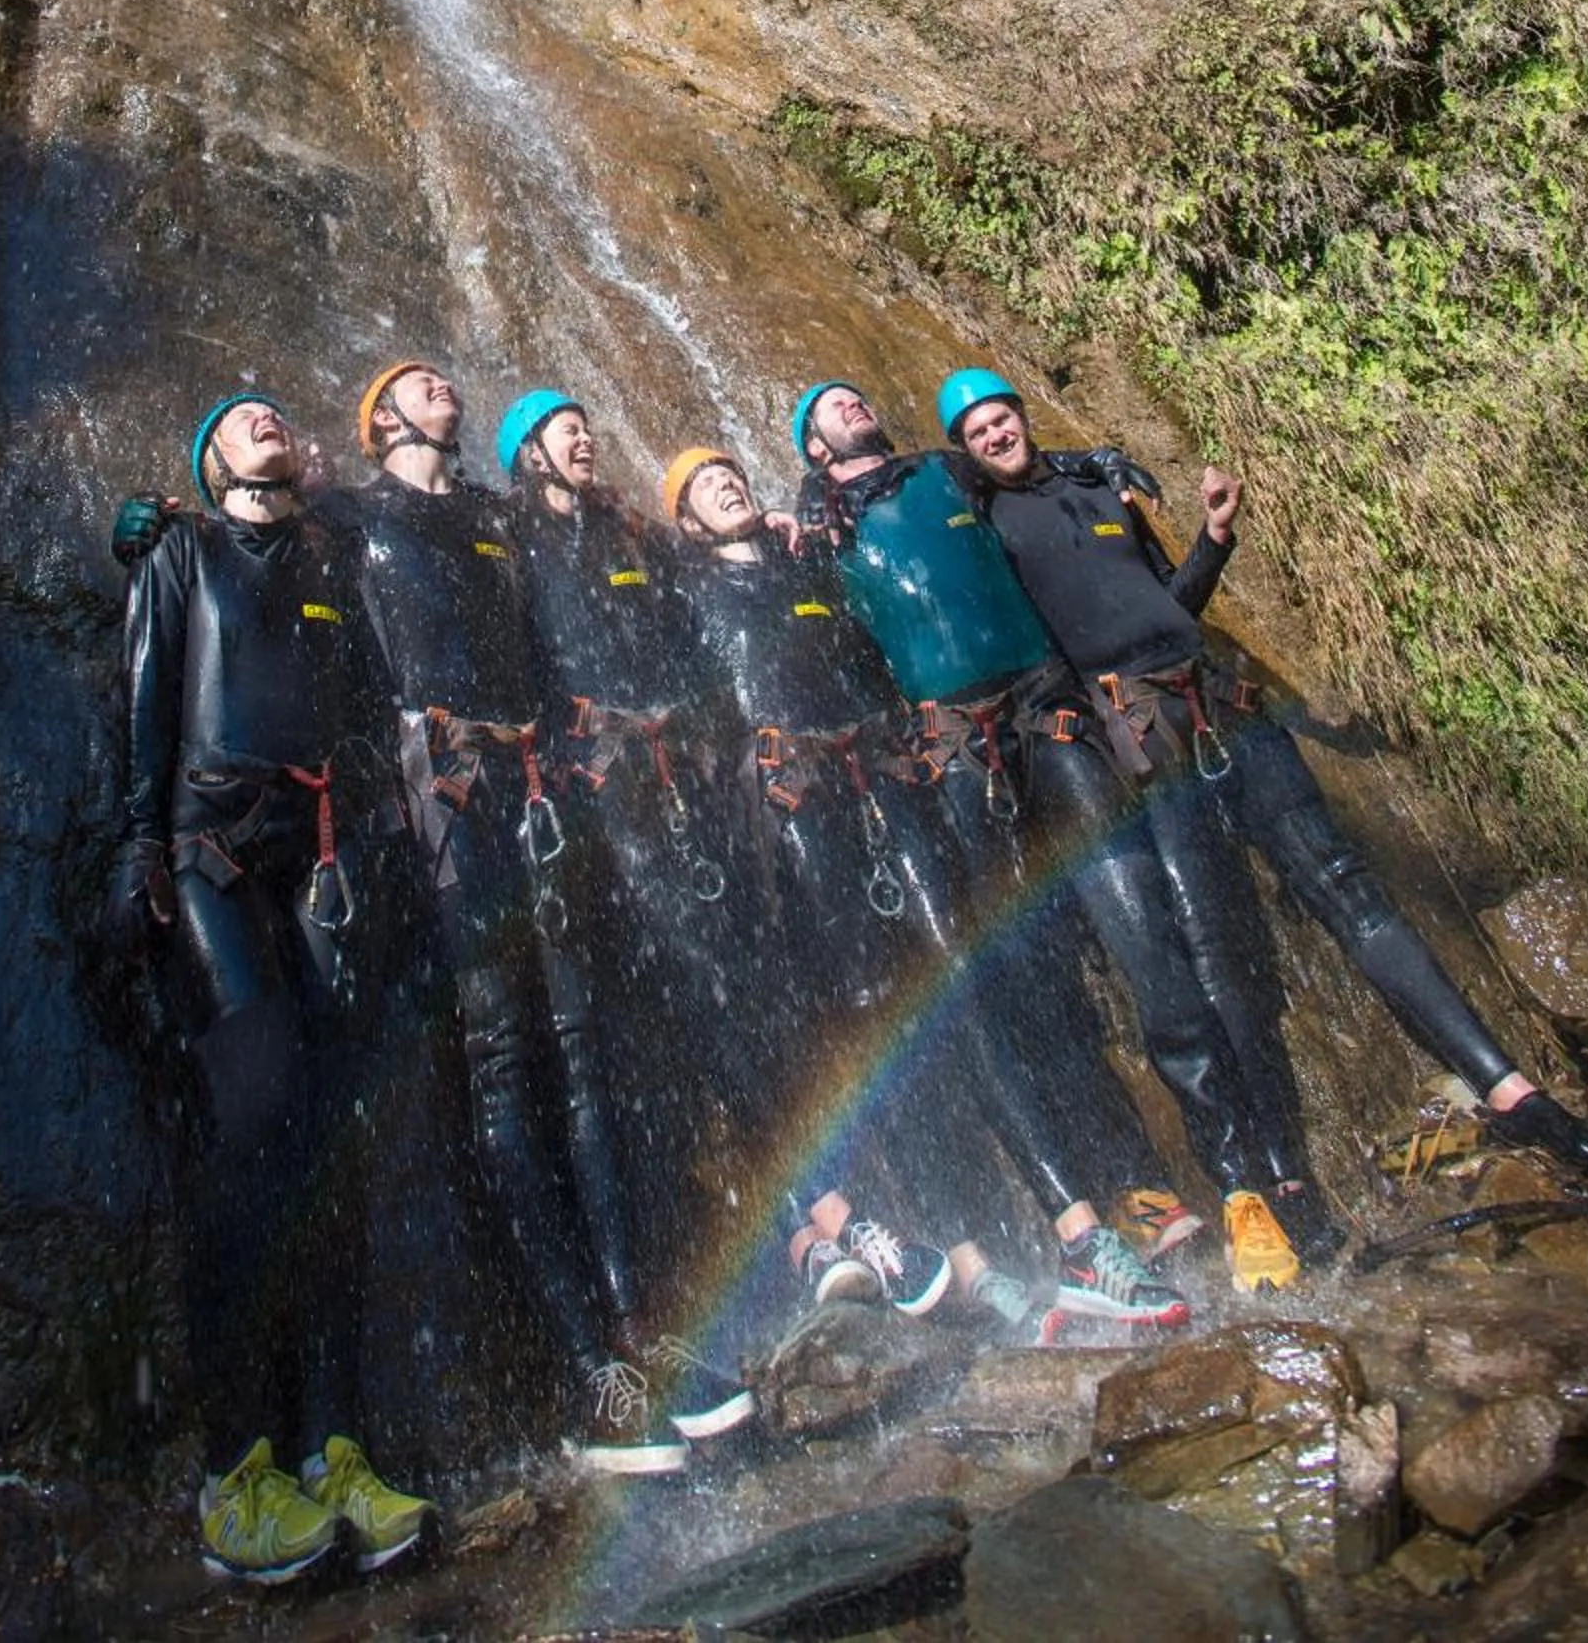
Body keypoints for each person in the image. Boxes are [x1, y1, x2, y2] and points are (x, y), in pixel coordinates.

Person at [936, 366, 1588, 1195]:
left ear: (1021, 414)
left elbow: (1171, 605)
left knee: (1348, 887)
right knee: (1215, 947)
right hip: (1143, 739)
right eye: (974, 433)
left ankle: (1511, 1091)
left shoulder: (1100, 489)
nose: (992, 436)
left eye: (998, 418)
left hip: (1221, 704)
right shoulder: (987, 520)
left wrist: (1215, 535)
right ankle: (1279, 1182)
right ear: (965, 452)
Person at [792, 380, 1310, 1293]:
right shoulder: (821, 529)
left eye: (856, 393)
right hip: (951, 739)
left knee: (1138, 922)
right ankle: (1126, 1193)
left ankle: (1243, 1186)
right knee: (1027, 975)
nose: (855, 400)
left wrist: (1094, 463)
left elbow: (1022, 464)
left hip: (1048, 704)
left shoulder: (948, 471)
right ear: (813, 447)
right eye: (831, 405)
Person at [668, 442, 1194, 1335]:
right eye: (700, 483)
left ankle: (1079, 1233)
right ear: (681, 521)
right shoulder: (684, 592)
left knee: (966, 996)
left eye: (730, 469)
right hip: (796, 818)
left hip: (886, 787)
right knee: (895, 1040)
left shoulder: (815, 565)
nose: (724, 480)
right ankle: (972, 1265)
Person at [348, 360, 706, 1471]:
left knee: (580, 1047)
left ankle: (635, 1326)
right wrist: (154, 523)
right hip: (442, 791)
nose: (439, 384)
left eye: (441, 376)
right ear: (380, 424)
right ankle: (579, 1367)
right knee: (502, 1057)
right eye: (414, 382)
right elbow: (240, 532)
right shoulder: (353, 515)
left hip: (536, 782)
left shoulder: (498, 518)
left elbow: (587, 546)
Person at [112, 394, 435, 1584]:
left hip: (324, 853)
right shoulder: (181, 550)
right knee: (251, 1128)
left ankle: (335, 1449)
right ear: (207, 459)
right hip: (208, 853)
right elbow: (145, 698)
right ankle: (234, 1470)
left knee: (331, 1139)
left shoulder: (326, 557)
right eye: (243, 418)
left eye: (277, 415)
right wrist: (132, 844)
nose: (271, 422)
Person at [496, 389, 758, 1429]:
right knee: (582, 1045)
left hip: (662, 784)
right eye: (560, 425)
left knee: (669, 1014)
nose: (585, 432)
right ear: (524, 453)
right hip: (567, 796)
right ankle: (605, 1344)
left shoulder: (626, 533)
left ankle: (681, 1298)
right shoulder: (504, 527)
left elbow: (695, 606)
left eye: (585, 422)